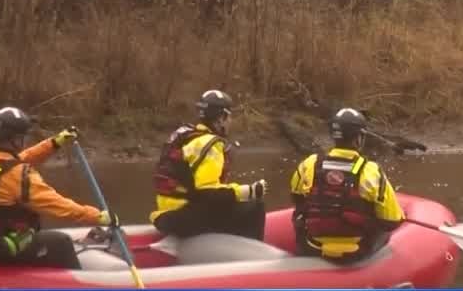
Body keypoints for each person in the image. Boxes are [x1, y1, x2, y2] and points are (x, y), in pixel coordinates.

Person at [0, 107, 116, 269]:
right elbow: (57, 205)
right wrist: (97, 216)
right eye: (22, 137)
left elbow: (19, 159)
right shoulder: (18, 176)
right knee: (61, 242)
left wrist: (55, 143)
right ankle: (79, 289)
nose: (24, 140)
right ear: (14, 139)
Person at [289, 108, 405, 261]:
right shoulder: (371, 170)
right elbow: (391, 220)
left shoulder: (309, 164)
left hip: (312, 246)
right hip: (356, 252)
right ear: (359, 138)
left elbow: (297, 199)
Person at [150, 90, 268, 240]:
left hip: (167, 214)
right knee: (254, 207)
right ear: (221, 118)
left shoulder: (186, 135)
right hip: (184, 219)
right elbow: (208, 192)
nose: (230, 121)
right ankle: (250, 258)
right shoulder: (211, 145)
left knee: (228, 203)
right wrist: (248, 191)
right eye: (229, 116)